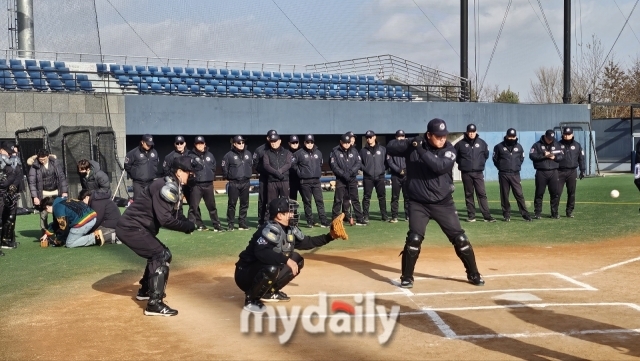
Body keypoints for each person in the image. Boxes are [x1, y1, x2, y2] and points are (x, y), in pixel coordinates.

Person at [386, 118, 484, 289]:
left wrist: (421, 150)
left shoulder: (449, 150)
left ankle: (473, 273)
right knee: (414, 238)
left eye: (444, 136)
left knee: (460, 239)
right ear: (429, 135)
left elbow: (438, 166)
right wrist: (410, 142)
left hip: (443, 203)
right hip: (418, 203)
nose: (442, 139)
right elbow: (390, 147)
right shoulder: (415, 144)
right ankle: (407, 277)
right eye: (438, 136)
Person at [115, 156, 199, 316]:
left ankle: (145, 290)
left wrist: (187, 223)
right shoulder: (166, 186)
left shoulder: (173, 184)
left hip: (137, 228)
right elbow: (165, 219)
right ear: (179, 172)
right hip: (131, 228)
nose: (192, 175)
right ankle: (154, 304)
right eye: (189, 172)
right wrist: (186, 226)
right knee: (161, 255)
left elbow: (173, 214)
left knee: (156, 254)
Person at [235, 197, 345, 313]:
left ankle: (269, 292)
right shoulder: (270, 229)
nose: (293, 214)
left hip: (259, 269)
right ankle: (251, 300)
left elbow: (307, 242)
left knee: (297, 259)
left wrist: (330, 236)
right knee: (273, 268)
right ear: (279, 216)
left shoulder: (288, 229)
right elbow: (262, 252)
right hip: (245, 274)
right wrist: (286, 260)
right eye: (289, 212)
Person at [454, 124, 495, 222]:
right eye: (470, 132)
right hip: (466, 173)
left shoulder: (482, 143)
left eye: (473, 131)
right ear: (467, 132)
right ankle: (471, 216)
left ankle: (486, 216)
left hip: (478, 173)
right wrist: (464, 164)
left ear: (476, 131)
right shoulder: (460, 144)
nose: (471, 134)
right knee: (469, 194)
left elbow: (486, 155)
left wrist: (479, 164)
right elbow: (456, 157)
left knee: (481, 193)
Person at [493, 128, 533, 222]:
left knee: (519, 194)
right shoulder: (498, 147)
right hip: (504, 174)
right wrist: (502, 167)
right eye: (509, 136)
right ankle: (506, 214)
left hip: (515, 174)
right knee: (504, 195)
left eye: (513, 136)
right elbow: (495, 159)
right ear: (506, 136)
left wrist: (516, 166)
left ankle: (525, 214)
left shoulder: (519, 147)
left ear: (516, 136)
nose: (511, 138)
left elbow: (521, 158)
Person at [292, 134, 329, 228]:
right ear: (304, 143)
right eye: (307, 142)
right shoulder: (298, 153)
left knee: (319, 201)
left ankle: (324, 221)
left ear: (313, 142)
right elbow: (293, 164)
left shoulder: (318, 153)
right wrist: (300, 172)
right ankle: (309, 221)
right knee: (307, 202)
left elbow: (320, 164)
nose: (309, 144)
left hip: (316, 181)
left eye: (311, 142)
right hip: (305, 181)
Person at [27, 148, 68, 233]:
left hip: (56, 192)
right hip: (43, 193)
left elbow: (61, 177)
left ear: (48, 156)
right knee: (43, 214)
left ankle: (59, 232)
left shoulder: (55, 163)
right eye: (40, 159)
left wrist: (64, 191)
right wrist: (35, 197)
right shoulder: (34, 166)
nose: (42, 161)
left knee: (57, 212)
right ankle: (44, 233)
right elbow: (32, 183)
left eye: (44, 159)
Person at [187, 135, 223, 232]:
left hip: (208, 184)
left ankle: (217, 225)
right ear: (195, 145)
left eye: (201, 143)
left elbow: (213, 167)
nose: (200, 145)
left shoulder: (210, 155)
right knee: (193, 207)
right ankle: (190, 226)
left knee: (212, 207)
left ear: (204, 144)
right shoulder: (190, 156)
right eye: (198, 144)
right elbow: (187, 169)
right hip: (196, 185)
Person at [39, 196, 105, 248]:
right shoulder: (62, 200)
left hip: (84, 222)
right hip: (93, 216)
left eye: (46, 210)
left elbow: (63, 228)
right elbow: (56, 223)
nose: (47, 212)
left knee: (69, 243)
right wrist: (47, 234)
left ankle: (94, 238)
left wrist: (59, 240)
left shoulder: (57, 208)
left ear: (47, 207)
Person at [330, 133, 365, 225]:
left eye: (348, 143)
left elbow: (358, 163)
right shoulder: (335, 152)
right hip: (341, 179)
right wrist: (343, 174)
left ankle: (360, 218)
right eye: (345, 143)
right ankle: (335, 219)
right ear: (341, 142)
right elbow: (334, 166)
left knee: (355, 199)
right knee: (338, 199)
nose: (346, 144)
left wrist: (350, 173)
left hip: (352, 178)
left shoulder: (354, 151)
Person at [529, 129, 564, 219]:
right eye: (548, 138)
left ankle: (554, 213)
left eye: (551, 138)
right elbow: (532, 156)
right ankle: (537, 213)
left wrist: (554, 157)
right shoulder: (537, 145)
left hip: (554, 171)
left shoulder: (557, 144)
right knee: (539, 193)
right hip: (541, 171)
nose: (550, 140)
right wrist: (544, 155)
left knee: (555, 193)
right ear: (545, 136)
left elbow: (562, 156)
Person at [221, 135, 252, 231]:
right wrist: (230, 176)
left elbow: (251, 164)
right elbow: (224, 168)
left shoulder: (248, 153)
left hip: (246, 182)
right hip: (234, 182)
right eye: (239, 142)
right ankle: (231, 224)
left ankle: (242, 223)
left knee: (244, 204)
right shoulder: (228, 155)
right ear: (234, 144)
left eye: (243, 142)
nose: (241, 144)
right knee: (232, 204)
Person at [262, 133, 292, 219]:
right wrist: (276, 173)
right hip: (272, 181)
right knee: (271, 203)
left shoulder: (287, 152)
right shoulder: (266, 153)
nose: (273, 143)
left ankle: (287, 221)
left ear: (279, 141)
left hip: (284, 180)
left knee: (286, 202)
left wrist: (280, 171)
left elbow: (288, 164)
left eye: (275, 141)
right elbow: (266, 165)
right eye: (271, 141)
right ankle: (269, 221)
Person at [360, 130, 388, 222]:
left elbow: (387, 162)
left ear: (375, 137)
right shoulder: (363, 151)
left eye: (370, 137)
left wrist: (382, 169)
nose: (369, 139)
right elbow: (359, 163)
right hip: (368, 177)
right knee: (366, 197)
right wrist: (366, 170)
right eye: (367, 137)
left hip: (380, 177)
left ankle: (384, 215)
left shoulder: (382, 149)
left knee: (382, 197)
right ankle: (365, 215)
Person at [558, 127, 586, 218]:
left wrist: (582, 170)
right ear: (563, 134)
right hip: (559, 171)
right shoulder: (557, 144)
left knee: (571, 193)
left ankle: (569, 211)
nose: (566, 136)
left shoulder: (577, 145)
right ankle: (554, 212)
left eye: (568, 134)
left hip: (572, 172)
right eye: (565, 134)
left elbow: (581, 159)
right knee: (557, 192)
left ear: (572, 135)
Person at [253, 130, 278, 227]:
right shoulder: (260, 150)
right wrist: (265, 171)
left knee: (274, 200)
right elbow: (255, 164)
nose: (272, 139)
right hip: (264, 178)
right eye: (270, 137)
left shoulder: (279, 149)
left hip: (275, 179)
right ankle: (261, 221)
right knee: (263, 200)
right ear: (267, 138)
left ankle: (274, 219)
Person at [0, 141, 23, 251]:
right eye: (8, 152)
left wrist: (12, 187)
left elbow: (18, 175)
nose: (10, 154)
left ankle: (7, 240)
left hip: (10, 193)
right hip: (1, 193)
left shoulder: (13, 162)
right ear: (1, 150)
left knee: (10, 217)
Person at [124, 134, 159, 200]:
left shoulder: (154, 152)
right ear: (142, 142)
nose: (149, 145)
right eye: (147, 144)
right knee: (138, 202)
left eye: (150, 144)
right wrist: (135, 174)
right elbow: (127, 166)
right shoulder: (133, 153)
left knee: (150, 202)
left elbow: (156, 163)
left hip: (150, 182)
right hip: (138, 183)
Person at [162, 135, 189, 216]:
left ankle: (195, 222)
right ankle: (178, 220)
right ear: (175, 144)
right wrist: (174, 178)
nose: (179, 145)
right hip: (177, 183)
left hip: (189, 183)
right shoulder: (170, 156)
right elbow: (165, 170)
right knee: (177, 203)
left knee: (193, 204)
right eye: (178, 143)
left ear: (184, 144)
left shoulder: (191, 154)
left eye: (181, 143)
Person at [387, 130, 409, 223]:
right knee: (395, 197)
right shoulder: (391, 147)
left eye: (402, 136)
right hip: (396, 175)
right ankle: (394, 216)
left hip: (407, 175)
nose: (400, 138)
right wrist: (399, 170)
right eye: (398, 136)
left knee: (407, 196)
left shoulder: (408, 147)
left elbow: (411, 159)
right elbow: (389, 161)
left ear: (404, 137)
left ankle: (408, 216)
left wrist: (406, 170)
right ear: (396, 137)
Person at [288, 135, 301, 201]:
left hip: (302, 179)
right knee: (292, 199)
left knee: (306, 200)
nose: (295, 144)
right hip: (291, 179)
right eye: (293, 143)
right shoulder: (286, 153)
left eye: (296, 142)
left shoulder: (303, 152)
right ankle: (293, 212)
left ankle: (307, 212)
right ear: (289, 143)